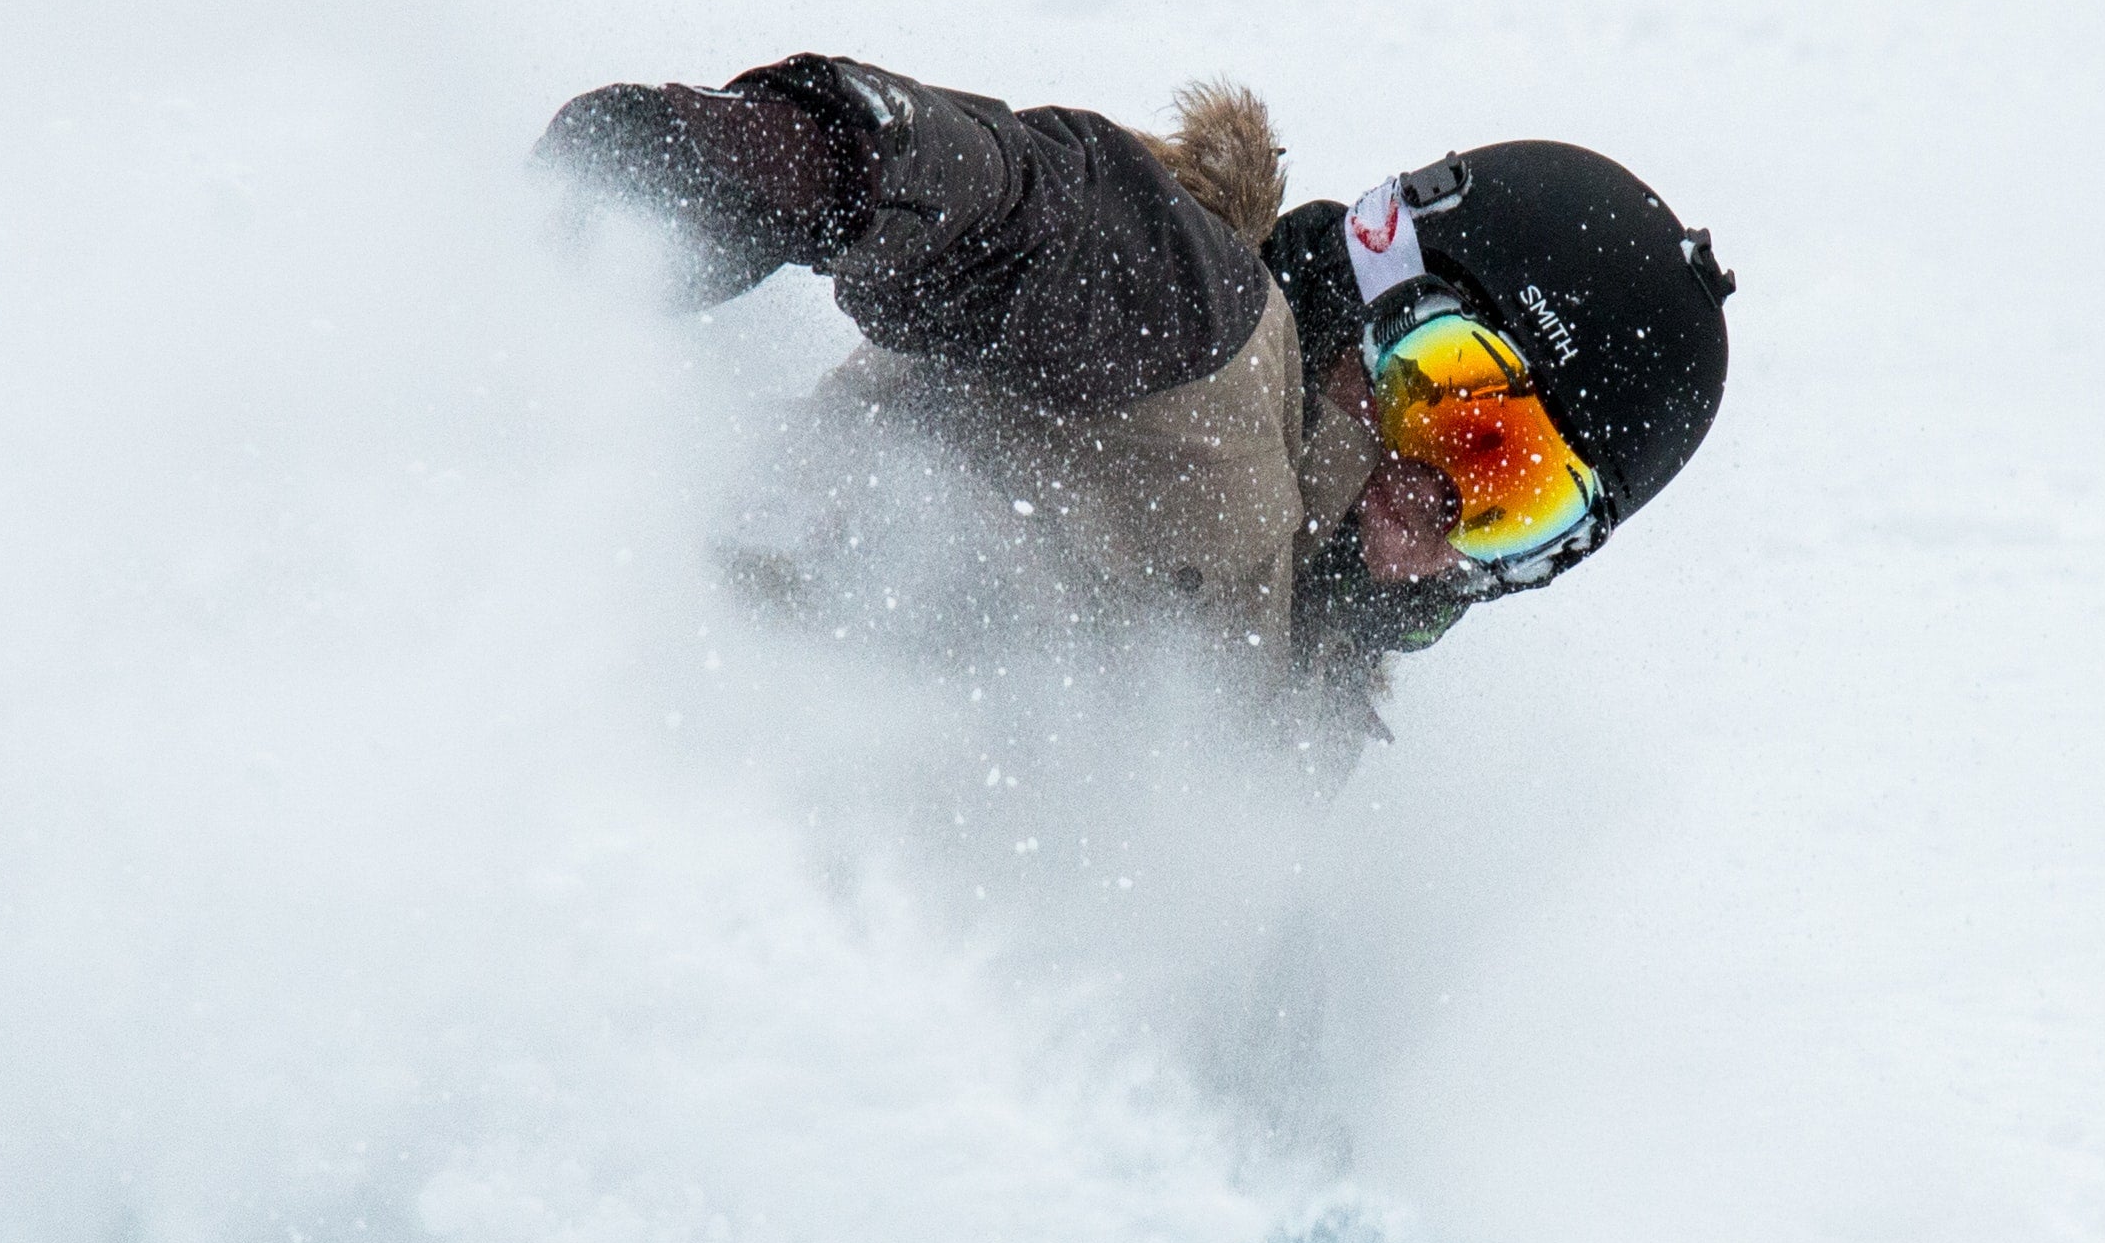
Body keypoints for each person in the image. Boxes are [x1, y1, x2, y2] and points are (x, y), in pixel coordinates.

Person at [536, 56, 1732, 773]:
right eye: (1460, 413)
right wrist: (781, 163)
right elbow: (1024, 207)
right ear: (1378, 280)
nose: (1431, 516)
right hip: (670, 729)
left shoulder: (1303, 692)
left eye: (1516, 503)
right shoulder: (1196, 328)